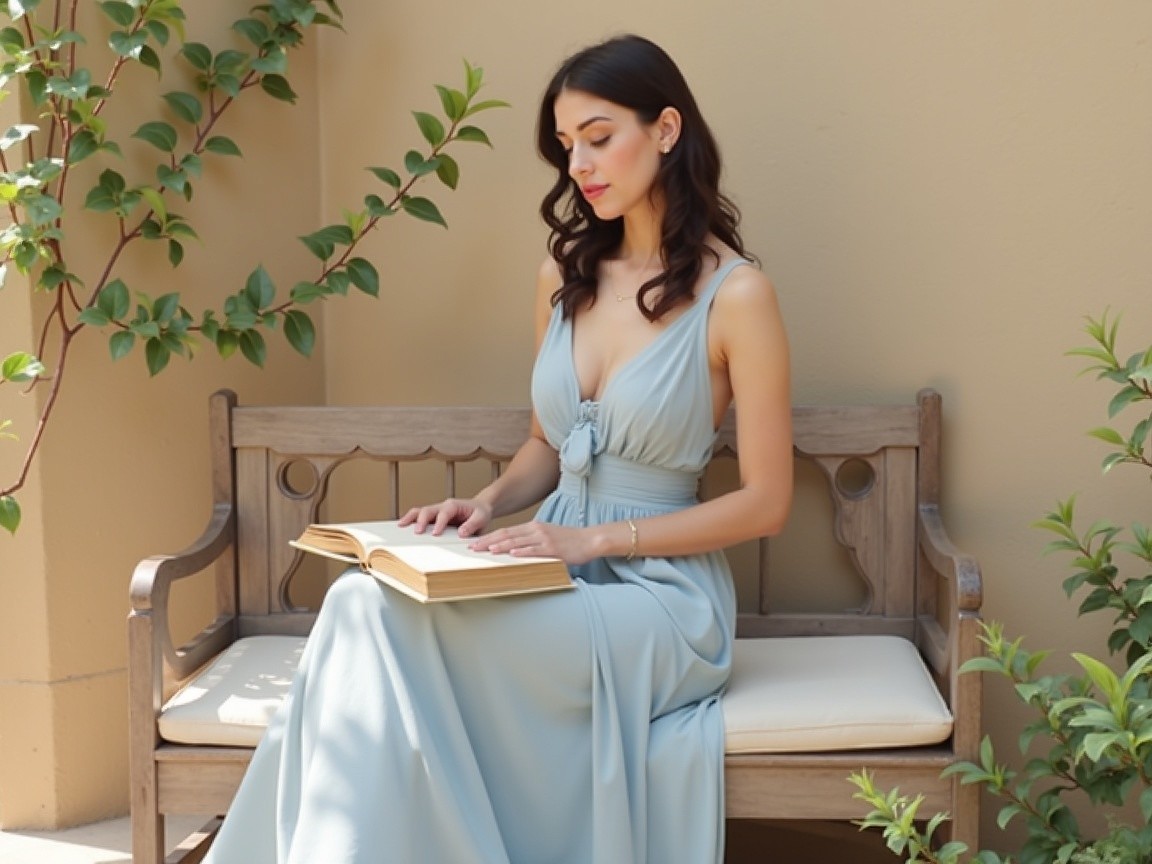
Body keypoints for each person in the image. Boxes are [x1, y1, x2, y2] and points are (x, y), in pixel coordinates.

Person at [203, 33, 792, 864]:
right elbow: (548, 445)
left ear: (665, 129)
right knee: (358, 602)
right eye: (565, 146)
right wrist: (483, 505)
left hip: (661, 604)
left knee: (374, 622)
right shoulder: (566, 273)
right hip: (550, 564)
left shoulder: (739, 296)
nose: (580, 164)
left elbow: (766, 502)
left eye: (598, 136)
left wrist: (590, 539)